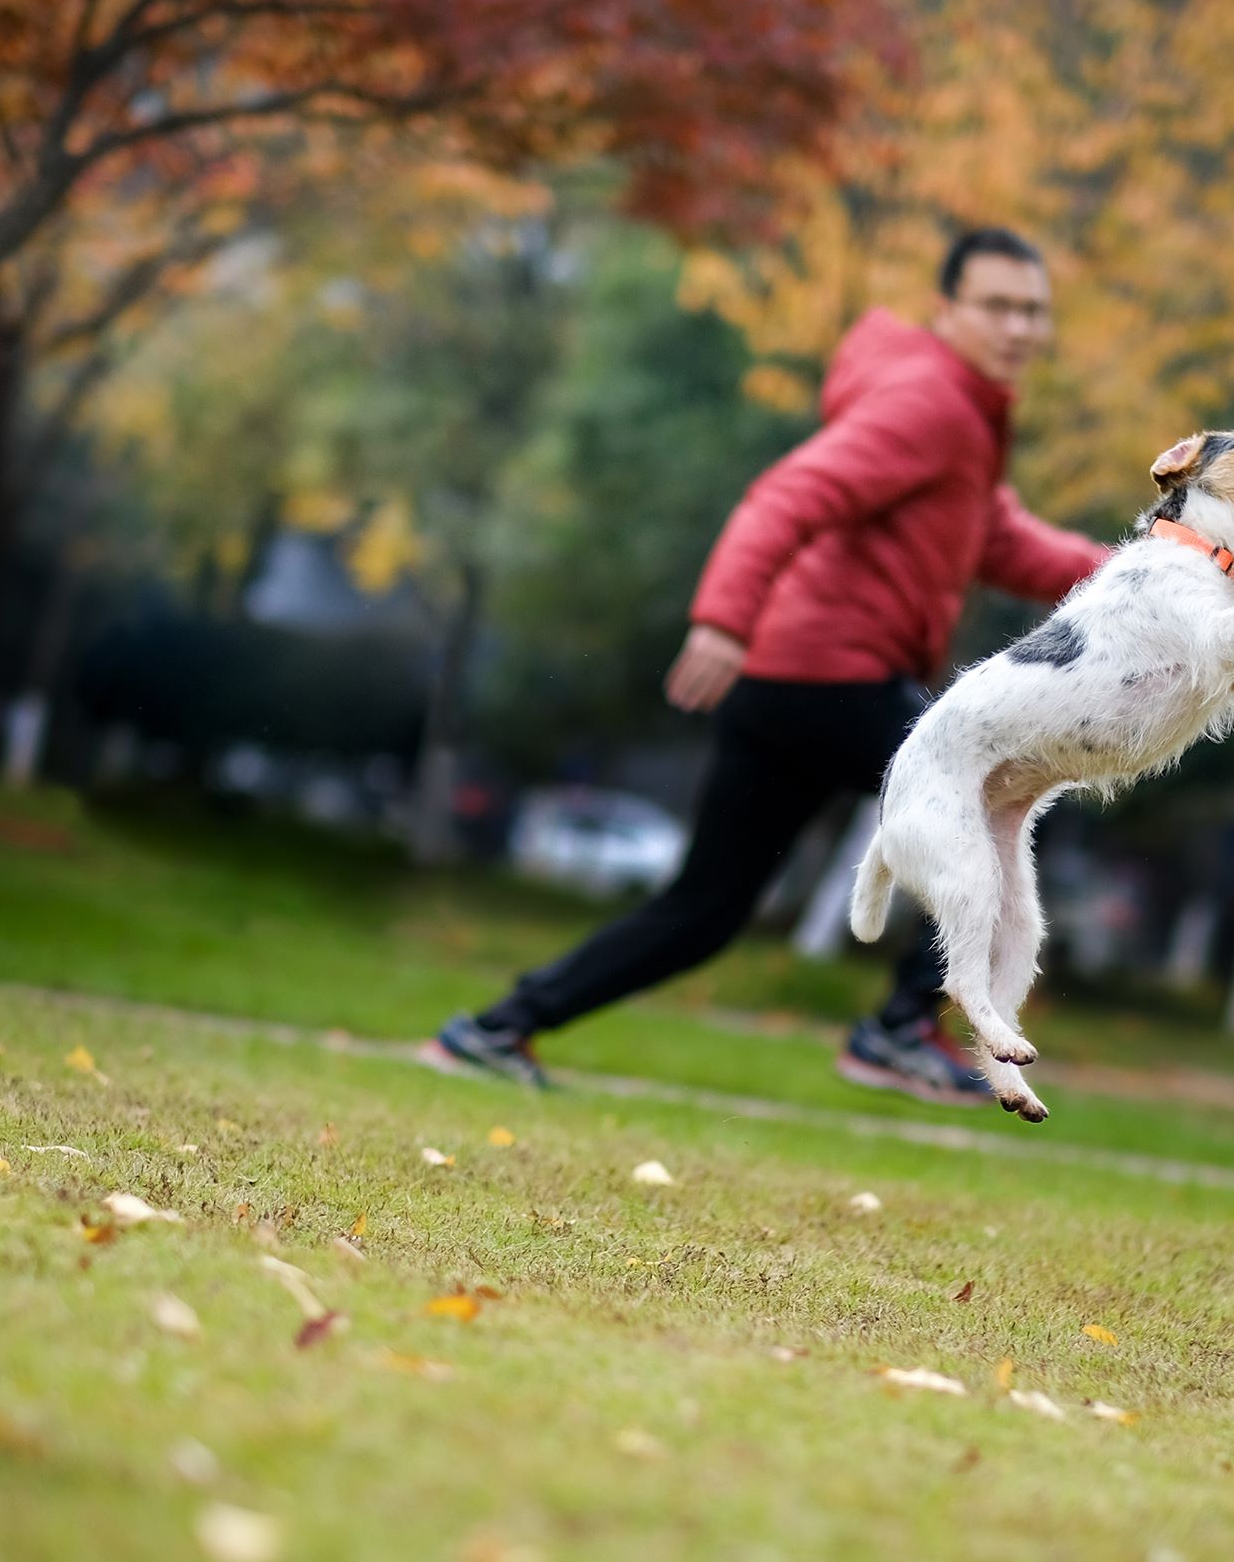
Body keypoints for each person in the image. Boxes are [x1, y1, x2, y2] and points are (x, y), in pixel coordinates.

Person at [425, 228, 1109, 1105]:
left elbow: (1002, 539)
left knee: (704, 909)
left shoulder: (960, 417)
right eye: (997, 307)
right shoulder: (931, 404)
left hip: (788, 686)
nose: (1018, 327)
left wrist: (1152, 565)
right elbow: (791, 493)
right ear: (947, 311)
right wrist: (721, 618)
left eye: (1034, 311)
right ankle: (900, 1030)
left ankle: (493, 1029)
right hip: (831, 673)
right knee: (994, 796)